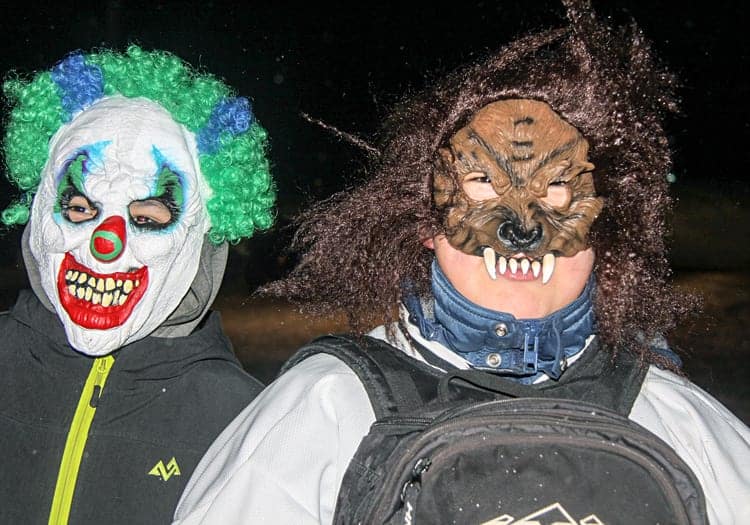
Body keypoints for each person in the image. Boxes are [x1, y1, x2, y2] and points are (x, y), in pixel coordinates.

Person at [172, 1, 750, 524]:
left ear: (604, 221)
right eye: (481, 184)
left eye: (556, 192)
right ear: (425, 222)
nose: (523, 229)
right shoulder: (324, 414)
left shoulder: (678, 422)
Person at [0, 45, 275, 524]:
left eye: (147, 217)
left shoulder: (242, 421)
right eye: (81, 209)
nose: (105, 244)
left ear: (201, 235)